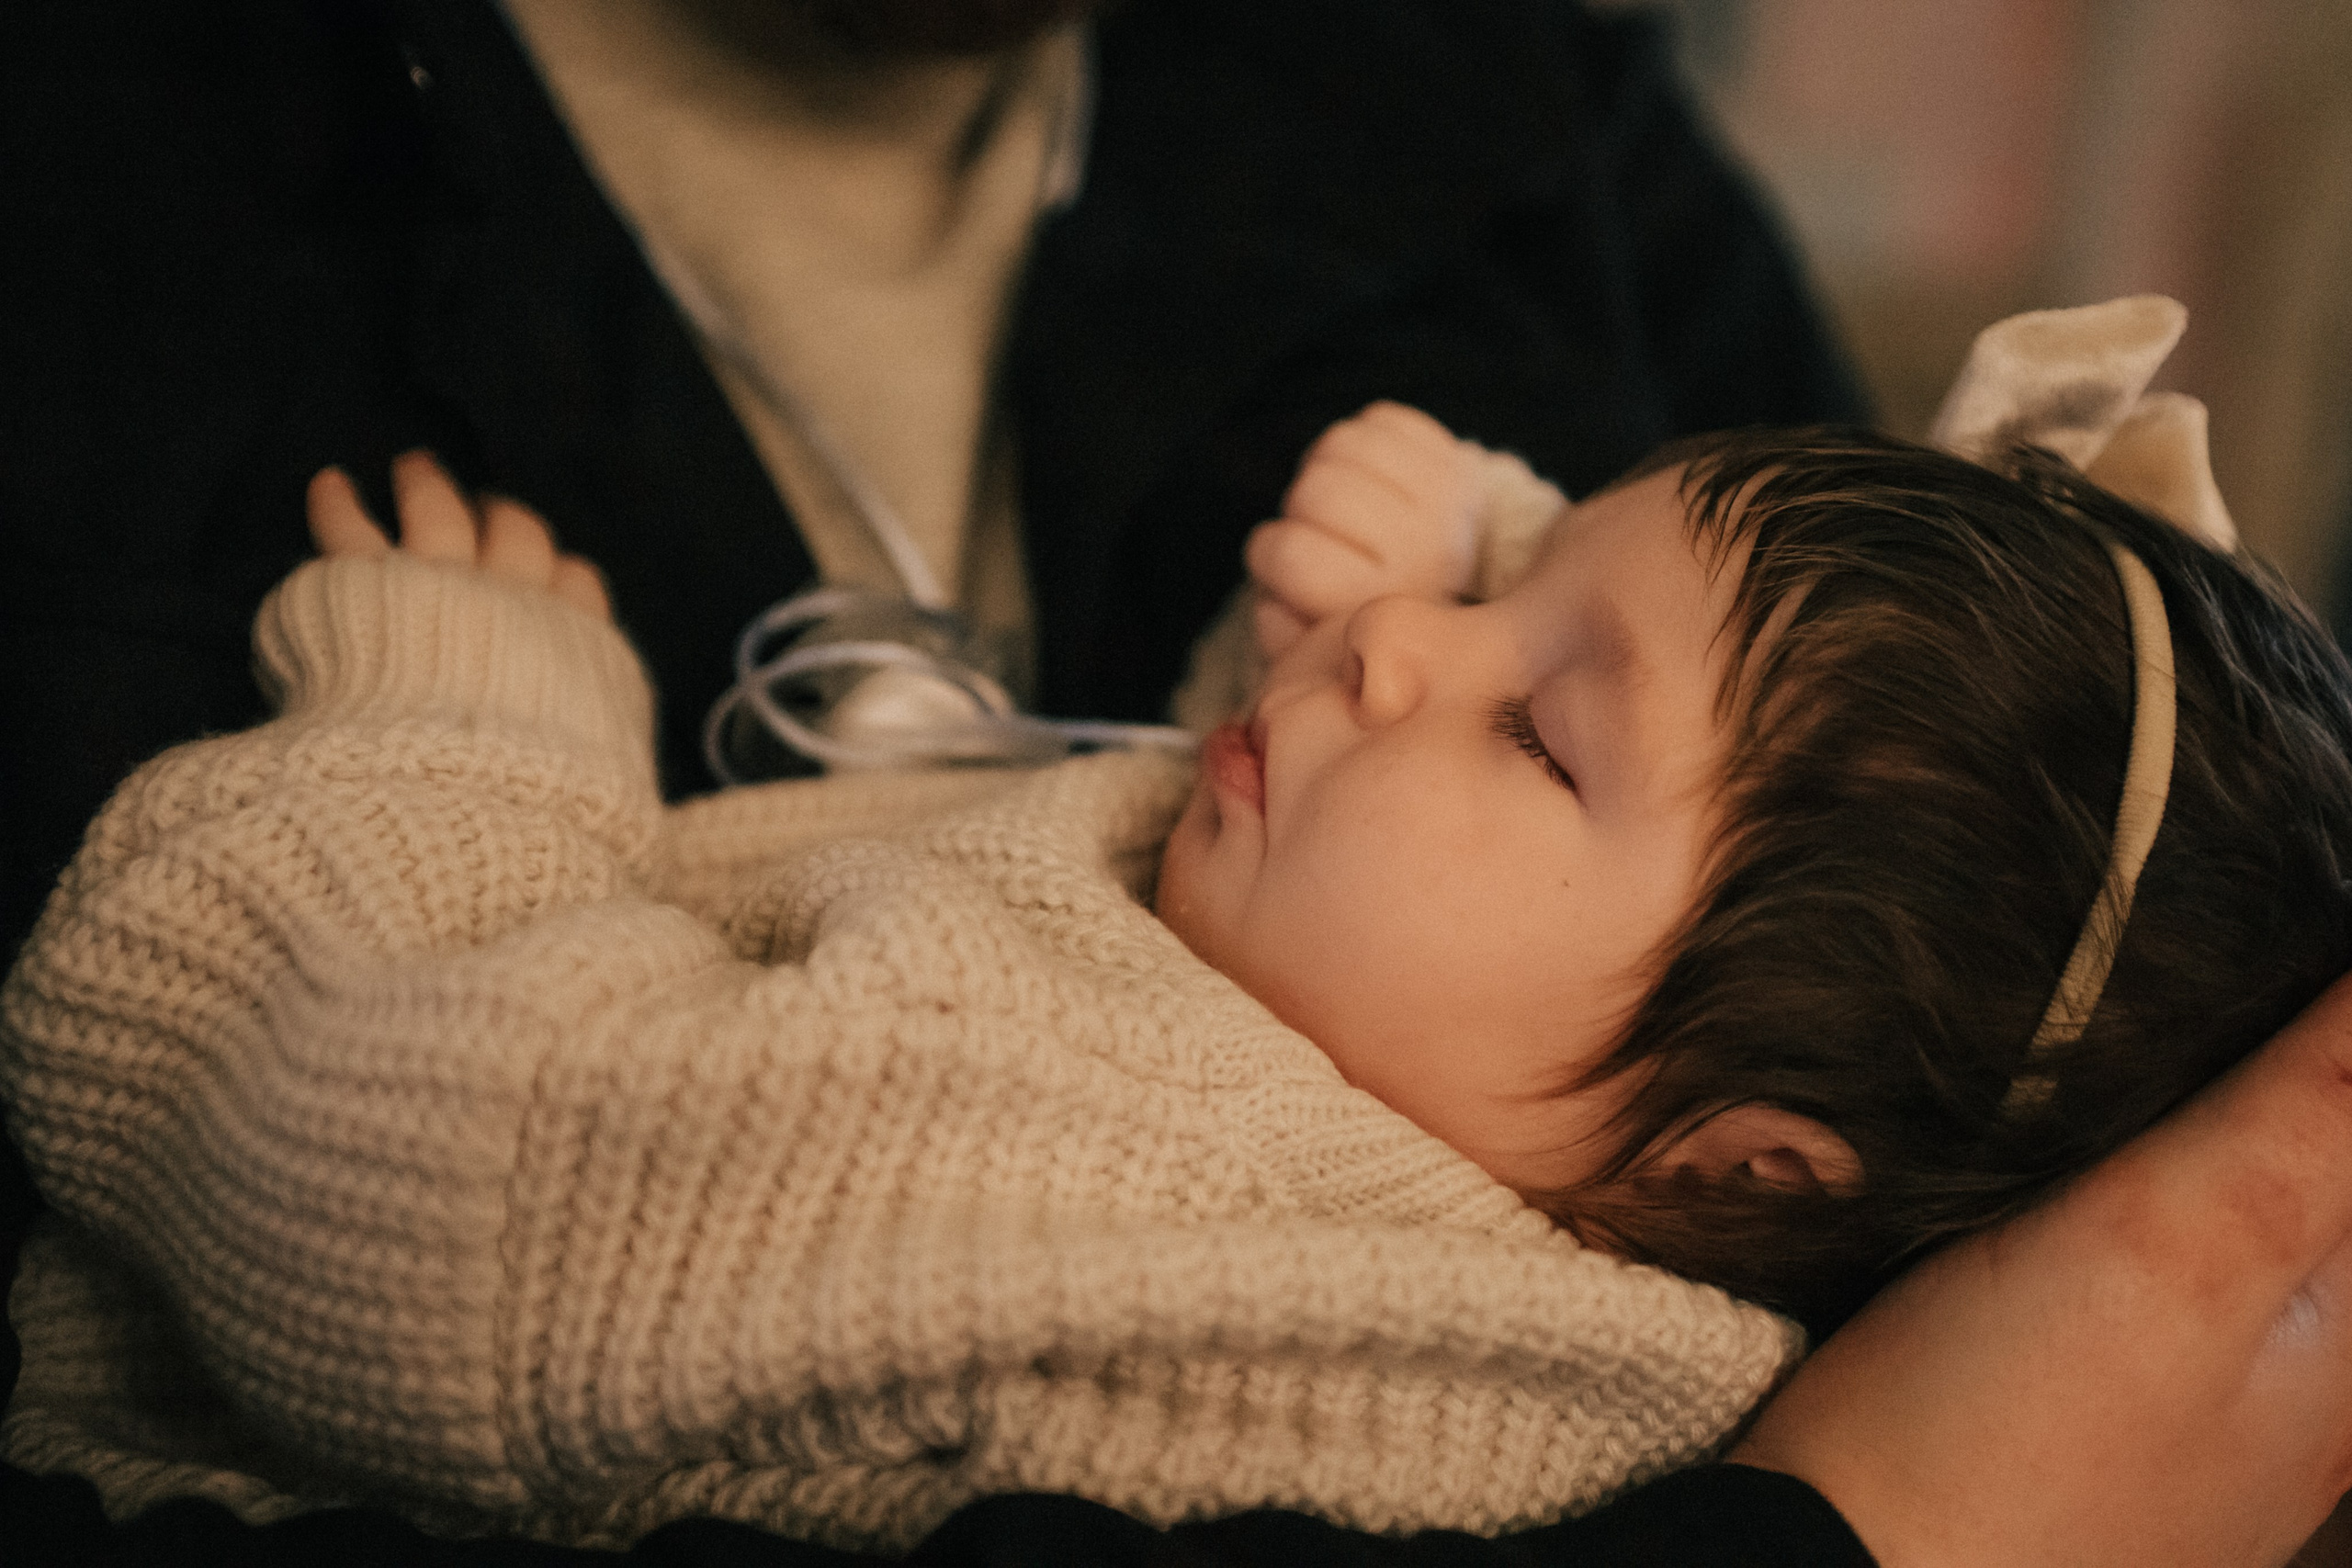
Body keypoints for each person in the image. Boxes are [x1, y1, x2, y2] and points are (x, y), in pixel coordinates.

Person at [6, 293, 2347, 1554]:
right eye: (1502, 595)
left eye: (1534, 725)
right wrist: (1488, 541)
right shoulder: (1576, 1189)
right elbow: (1515, 908)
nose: (1394, 648)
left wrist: (468, 717)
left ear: (1754, 1160)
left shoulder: (1069, 1170)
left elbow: (440, 1179)